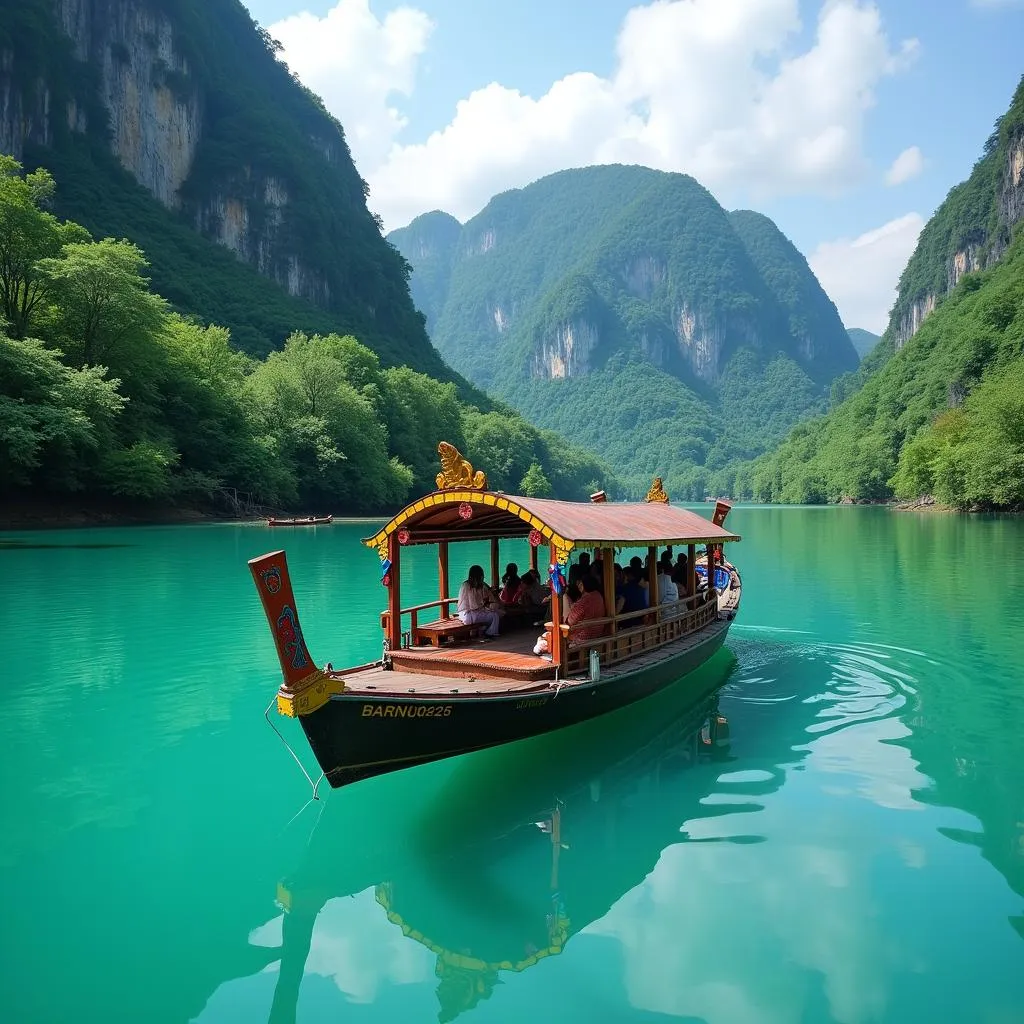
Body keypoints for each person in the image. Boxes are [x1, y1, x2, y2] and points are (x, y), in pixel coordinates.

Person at [457, 565, 501, 638]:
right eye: (482, 576)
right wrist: (484, 605)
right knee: (494, 616)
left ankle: (485, 631)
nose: (483, 578)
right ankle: (489, 633)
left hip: (474, 613)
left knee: (495, 613)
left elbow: (485, 599)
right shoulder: (467, 586)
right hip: (468, 615)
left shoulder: (479, 586)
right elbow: (473, 605)